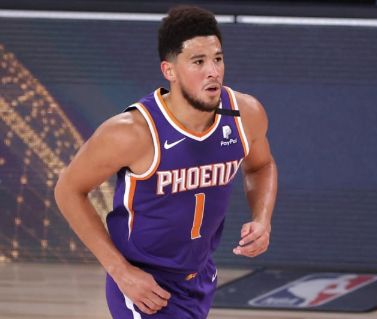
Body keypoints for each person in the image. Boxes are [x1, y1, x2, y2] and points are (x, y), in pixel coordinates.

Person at [54, 5, 277, 319]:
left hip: (200, 277)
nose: (213, 70)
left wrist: (262, 218)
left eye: (218, 58)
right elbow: (68, 190)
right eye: (198, 61)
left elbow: (261, 166)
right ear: (169, 70)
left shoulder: (246, 114)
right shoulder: (132, 132)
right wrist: (120, 272)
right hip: (143, 285)